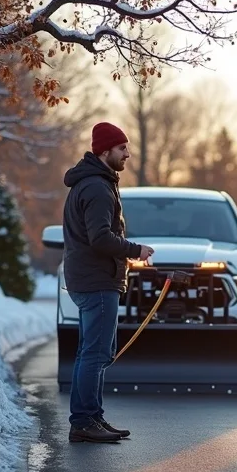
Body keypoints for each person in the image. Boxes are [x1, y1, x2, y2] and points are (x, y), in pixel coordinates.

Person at [61, 122, 155, 444]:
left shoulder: (94, 184)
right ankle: (84, 422)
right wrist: (136, 251)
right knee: (97, 353)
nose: (127, 154)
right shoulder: (97, 188)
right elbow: (100, 238)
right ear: (105, 151)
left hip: (91, 279)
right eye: (122, 149)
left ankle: (91, 417)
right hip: (96, 282)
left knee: (94, 352)